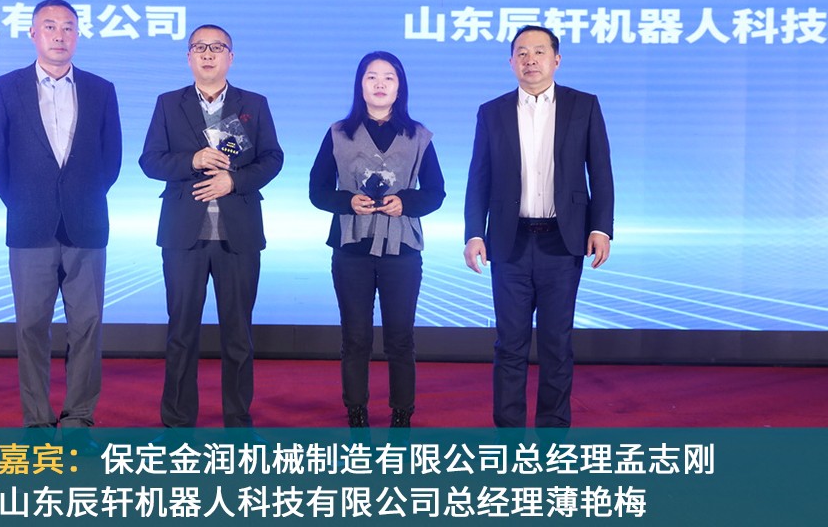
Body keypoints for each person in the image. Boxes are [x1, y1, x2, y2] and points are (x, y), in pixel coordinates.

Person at [0, 0, 122, 443]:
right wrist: (25, 202)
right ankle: (38, 422)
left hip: (86, 226)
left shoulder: (101, 89)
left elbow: (111, 160)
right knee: (30, 327)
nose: (59, 35)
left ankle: (79, 419)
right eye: (50, 26)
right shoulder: (4, 89)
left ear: (77, 35)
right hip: (29, 228)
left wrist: (81, 198)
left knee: (88, 326)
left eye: (68, 27)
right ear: (33, 33)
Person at [463, 25, 614, 429]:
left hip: (562, 243)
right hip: (509, 242)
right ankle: (509, 435)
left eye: (539, 52)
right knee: (509, 344)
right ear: (511, 61)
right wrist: (474, 233)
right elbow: (479, 177)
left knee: (556, 343)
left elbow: (600, 171)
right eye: (522, 53)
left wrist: (601, 227)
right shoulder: (492, 111)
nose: (530, 60)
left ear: (556, 60)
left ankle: (552, 433)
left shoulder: (583, 105)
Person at [140, 24, 283, 428]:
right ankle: (177, 422)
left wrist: (233, 181)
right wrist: (193, 160)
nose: (207, 54)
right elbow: (150, 161)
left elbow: (272, 158)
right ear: (188, 57)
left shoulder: (253, 104)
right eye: (199, 47)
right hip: (184, 236)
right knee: (181, 333)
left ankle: (237, 421)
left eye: (216, 47)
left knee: (238, 335)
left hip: (238, 236)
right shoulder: (169, 103)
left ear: (230, 57)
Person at [310, 51, 445, 428]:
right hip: (351, 248)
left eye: (389, 77)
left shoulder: (418, 135)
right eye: (372, 77)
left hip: (402, 249)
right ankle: (356, 410)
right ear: (360, 85)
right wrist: (347, 201)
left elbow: (436, 192)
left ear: (400, 87)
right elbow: (317, 190)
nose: (380, 84)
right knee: (355, 336)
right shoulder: (338, 133)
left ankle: (402, 412)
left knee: (400, 337)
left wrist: (406, 203)